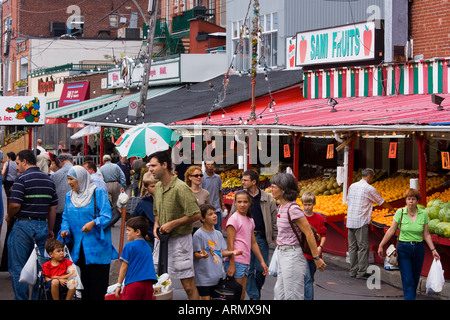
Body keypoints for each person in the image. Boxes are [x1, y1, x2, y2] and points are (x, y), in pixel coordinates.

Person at [59, 166, 118, 300]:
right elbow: (65, 217)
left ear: (81, 179)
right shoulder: (69, 196)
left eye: (71, 179)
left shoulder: (98, 193)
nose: (69, 182)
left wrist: (93, 223)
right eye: (68, 179)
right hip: (78, 250)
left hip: (97, 249)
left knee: (97, 288)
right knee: (82, 287)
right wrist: (65, 229)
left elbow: (106, 216)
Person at [148, 151, 201, 300]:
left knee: (188, 286)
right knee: (158, 283)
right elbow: (156, 211)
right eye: (149, 166)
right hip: (161, 241)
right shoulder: (157, 187)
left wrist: (173, 224)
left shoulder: (181, 187)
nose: (150, 169)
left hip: (180, 241)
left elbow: (196, 214)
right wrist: (156, 225)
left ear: (164, 165)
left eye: (153, 165)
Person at [6, 149, 58, 300]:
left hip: (23, 226)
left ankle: (21, 298)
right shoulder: (48, 179)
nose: (16, 167)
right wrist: (50, 229)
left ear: (24, 161)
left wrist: (9, 216)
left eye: (17, 163)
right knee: (39, 267)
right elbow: (53, 208)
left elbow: (15, 205)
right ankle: (37, 297)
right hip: (42, 226)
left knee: (18, 267)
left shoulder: (21, 179)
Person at [270, 173, 326, 300]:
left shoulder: (293, 208)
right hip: (282, 254)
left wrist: (316, 258)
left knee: (292, 295)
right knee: (280, 294)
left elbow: (309, 233)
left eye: (274, 186)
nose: (271, 189)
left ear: (284, 188)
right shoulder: (281, 207)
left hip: (293, 256)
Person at [378, 188, 440, 300]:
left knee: (415, 279)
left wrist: (433, 250)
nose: (410, 201)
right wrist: (381, 245)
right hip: (404, 249)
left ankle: (411, 297)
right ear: (405, 201)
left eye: (413, 199)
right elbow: (391, 230)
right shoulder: (400, 213)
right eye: (408, 199)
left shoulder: (423, 214)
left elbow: (426, 234)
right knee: (408, 280)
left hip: (418, 248)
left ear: (417, 201)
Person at [230, 169, 277, 300]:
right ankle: (255, 297)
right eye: (242, 179)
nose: (242, 182)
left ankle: (255, 291)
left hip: (261, 238)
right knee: (248, 270)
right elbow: (233, 215)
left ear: (254, 182)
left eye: (245, 180)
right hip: (244, 239)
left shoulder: (267, 198)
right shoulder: (240, 196)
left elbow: (274, 219)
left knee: (261, 269)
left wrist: (275, 236)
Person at [346, 168, 395, 279]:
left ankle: (353, 270)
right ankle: (362, 272)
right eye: (372, 177)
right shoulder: (369, 188)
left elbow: (348, 202)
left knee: (352, 247)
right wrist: (392, 210)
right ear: (369, 176)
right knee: (363, 247)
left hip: (350, 220)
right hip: (360, 220)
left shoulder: (352, 186)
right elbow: (381, 201)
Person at [225, 190, 269, 300]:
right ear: (235, 203)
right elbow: (230, 243)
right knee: (236, 295)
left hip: (245, 261)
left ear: (250, 203)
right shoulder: (233, 219)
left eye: (245, 202)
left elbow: (253, 242)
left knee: (242, 295)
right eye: (239, 202)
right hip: (236, 261)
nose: (242, 205)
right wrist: (231, 264)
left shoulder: (250, 219)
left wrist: (262, 261)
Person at [193, 204, 242, 300]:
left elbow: (220, 252)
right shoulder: (198, 235)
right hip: (204, 278)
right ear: (202, 218)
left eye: (215, 213)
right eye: (210, 214)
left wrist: (232, 252)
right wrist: (201, 255)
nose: (215, 216)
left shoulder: (218, 234)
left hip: (217, 276)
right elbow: (196, 254)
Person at [115, 216, 158, 300]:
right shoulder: (147, 246)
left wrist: (119, 285)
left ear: (137, 232)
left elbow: (124, 266)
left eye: (128, 230)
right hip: (148, 284)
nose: (126, 232)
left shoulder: (129, 246)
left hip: (133, 284)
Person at [301, 191, 327, 300]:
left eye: (309, 204)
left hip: (315, 253)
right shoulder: (300, 218)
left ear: (314, 204)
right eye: (305, 204)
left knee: (310, 277)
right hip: (303, 253)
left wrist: (320, 247)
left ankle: (305, 295)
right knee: (307, 278)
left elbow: (323, 234)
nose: (307, 207)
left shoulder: (319, 218)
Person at [132, 174, 158, 250]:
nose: (156, 188)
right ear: (146, 187)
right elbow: (137, 220)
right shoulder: (143, 203)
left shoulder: (164, 199)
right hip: (149, 236)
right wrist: (144, 234)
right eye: (153, 186)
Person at [51, 153, 74, 236]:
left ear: (60, 161)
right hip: (77, 213)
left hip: (59, 213)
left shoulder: (55, 175)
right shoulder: (81, 172)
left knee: (59, 241)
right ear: (72, 161)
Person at [201, 160, 226, 231]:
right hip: (206, 209)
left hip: (216, 208)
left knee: (218, 230)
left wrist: (223, 204)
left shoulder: (217, 178)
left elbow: (220, 191)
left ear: (214, 166)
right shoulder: (202, 178)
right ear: (205, 165)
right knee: (208, 230)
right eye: (208, 164)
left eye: (212, 164)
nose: (210, 166)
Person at [185, 165, 210, 233]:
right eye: (196, 175)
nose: (199, 177)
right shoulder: (184, 192)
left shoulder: (206, 193)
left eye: (201, 175)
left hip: (202, 227)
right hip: (188, 228)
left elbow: (208, 212)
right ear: (190, 177)